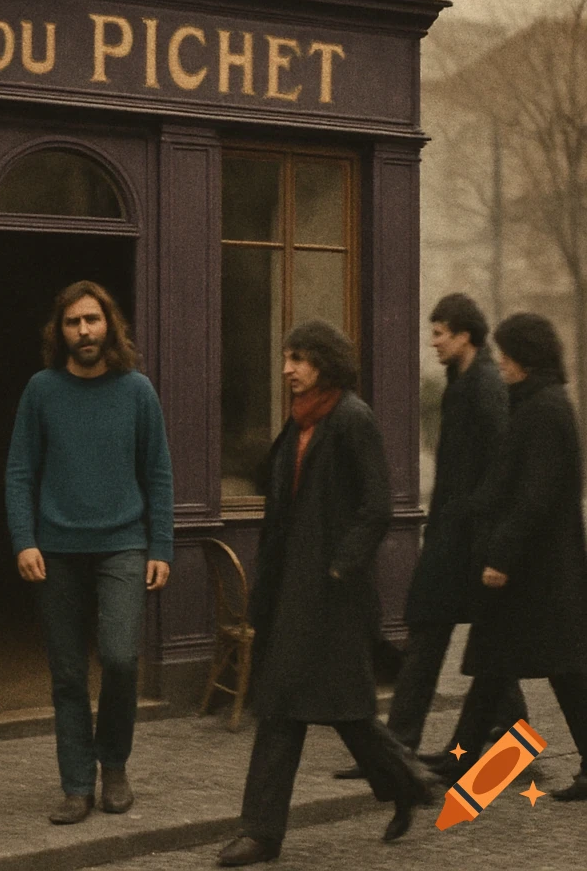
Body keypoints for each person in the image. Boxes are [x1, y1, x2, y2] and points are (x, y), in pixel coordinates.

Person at [218, 321, 433, 867]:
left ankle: (265, 831)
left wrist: (339, 568)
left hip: (333, 596)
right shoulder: (298, 424)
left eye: (300, 358)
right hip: (292, 592)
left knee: (335, 710)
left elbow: (378, 506)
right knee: (296, 707)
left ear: (326, 363)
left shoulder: (352, 419)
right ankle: (268, 830)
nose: (287, 368)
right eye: (286, 357)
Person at [335, 293, 526, 779]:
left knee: (480, 639)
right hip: (451, 533)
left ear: (464, 335)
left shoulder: (483, 385)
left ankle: (509, 742)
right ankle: (401, 748)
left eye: (440, 332)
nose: (433, 342)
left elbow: (502, 464)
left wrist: (480, 522)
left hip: (470, 537)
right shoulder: (462, 381)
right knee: (435, 633)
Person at [5, 280, 174, 825]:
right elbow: (19, 472)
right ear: (61, 330)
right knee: (68, 673)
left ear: (109, 326)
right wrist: (24, 539)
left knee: (121, 659)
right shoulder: (41, 390)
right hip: (55, 549)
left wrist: (162, 545)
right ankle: (77, 784)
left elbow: (159, 474)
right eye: (74, 322)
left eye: (92, 320)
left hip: (123, 544)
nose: (84, 330)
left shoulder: (137, 391)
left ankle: (115, 765)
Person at [432, 313, 587, 799]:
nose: (500, 360)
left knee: (558, 671)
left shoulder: (545, 409)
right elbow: (507, 485)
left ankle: (460, 764)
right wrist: (465, 511)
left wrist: (499, 555)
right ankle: (460, 761)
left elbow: (534, 498)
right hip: (534, 571)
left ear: (525, 358)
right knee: (501, 665)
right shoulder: (535, 405)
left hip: (535, 573)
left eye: (506, 352)